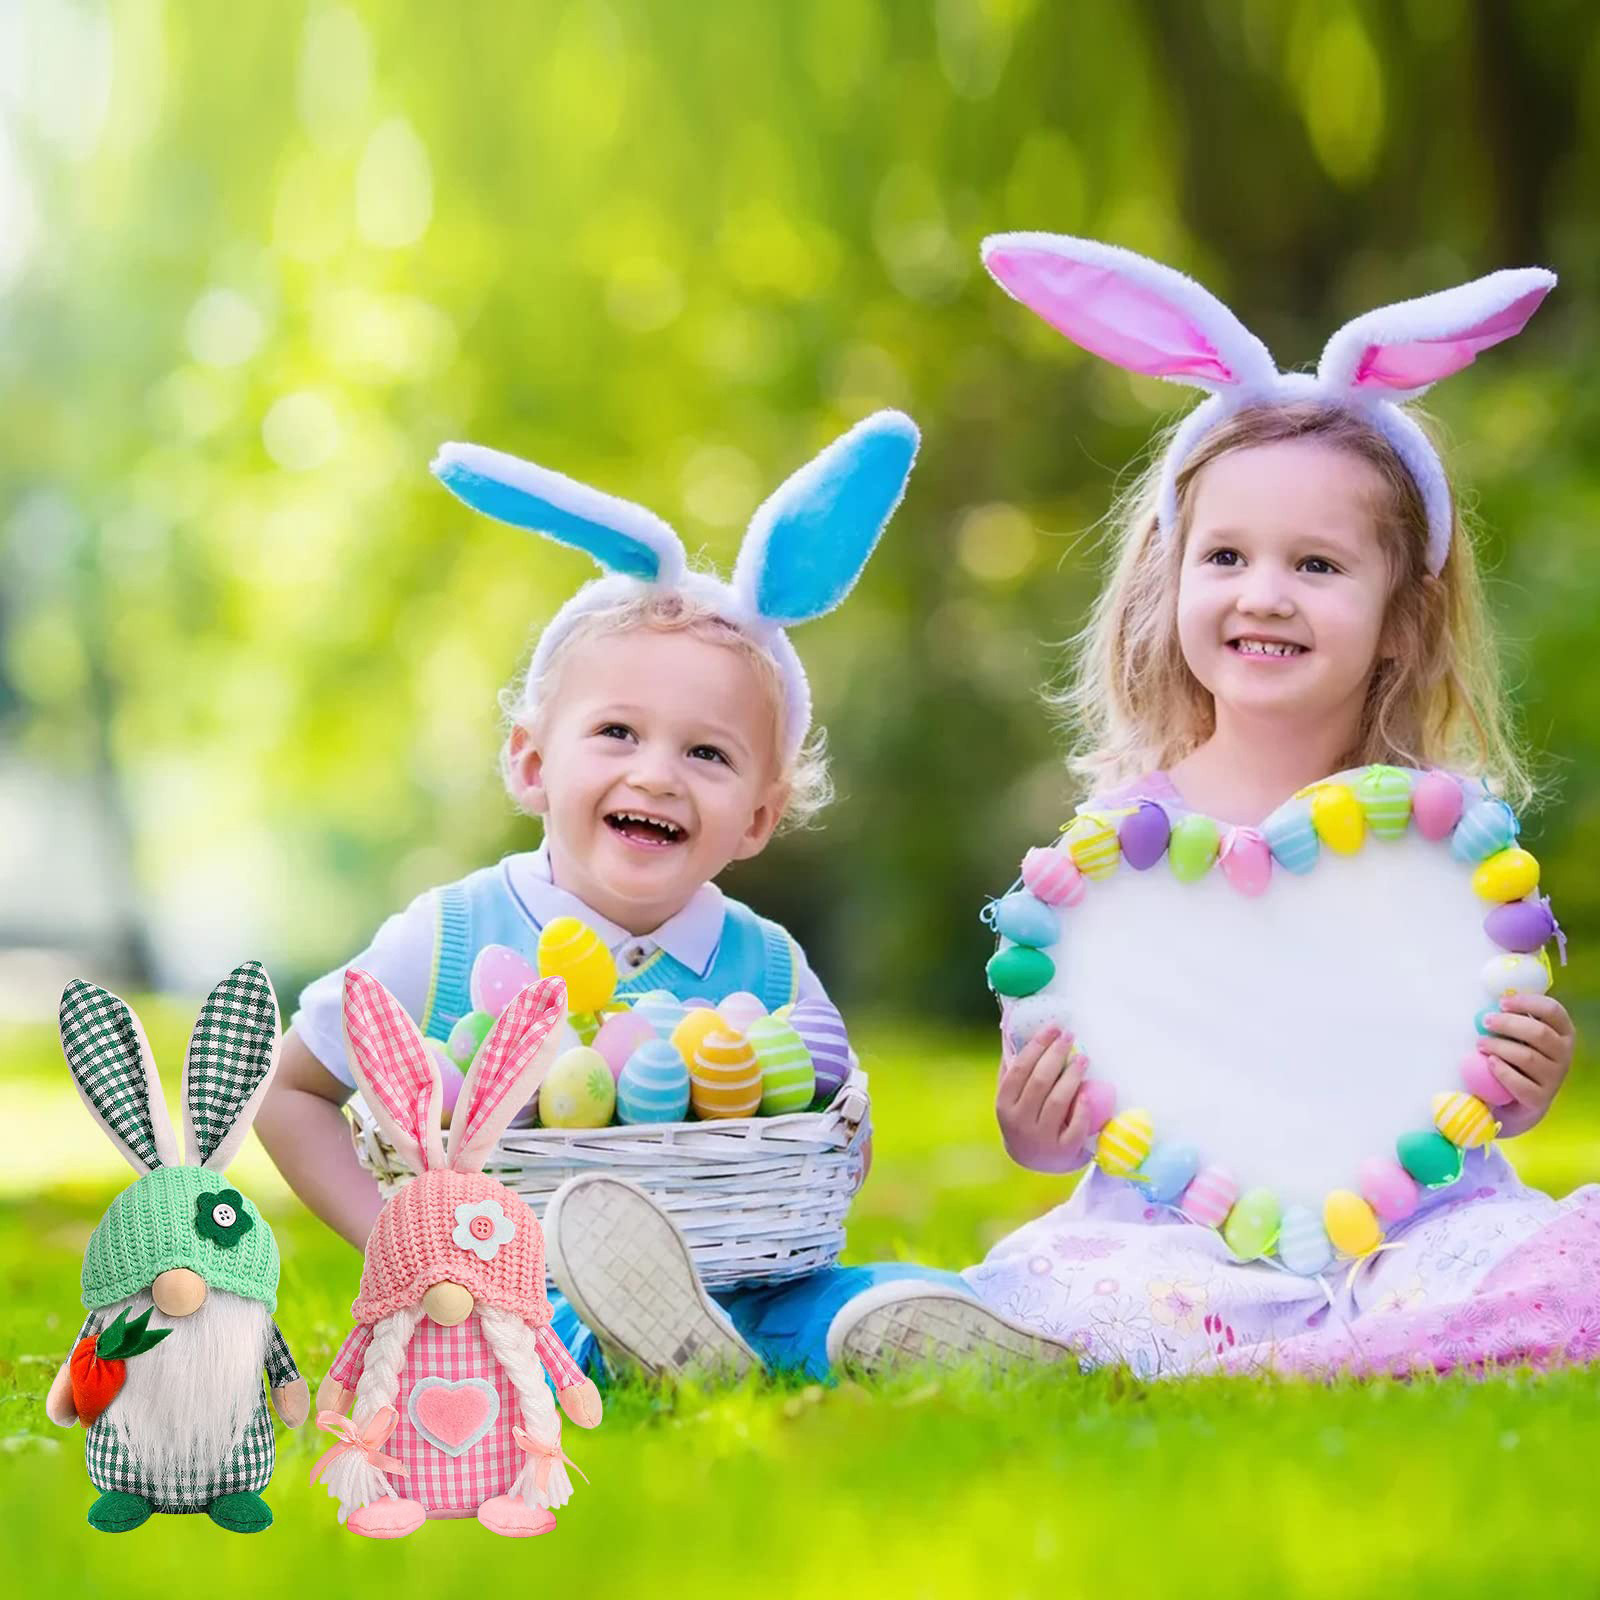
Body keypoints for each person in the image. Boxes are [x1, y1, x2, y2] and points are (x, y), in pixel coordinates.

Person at [835, 234, 1596, 1380]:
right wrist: (1033, 1122)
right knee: (1079, 1295)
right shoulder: (1110, 862)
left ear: (1401, 615)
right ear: (1169, 579)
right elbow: (1053, 1135)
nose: (1263, 595)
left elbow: (1457, 1093)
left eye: (1318, 566)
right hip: (1176, 1241)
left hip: (1412, 1232)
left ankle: (1372, 1332)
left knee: (1537, 1262)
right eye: (1226, 556)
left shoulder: (1443, 846)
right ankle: (1267, 1348)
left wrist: (1523, 1081)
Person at [257, 411, 1056, 1383]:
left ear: (758, 818)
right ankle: (630, 1344)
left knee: (820, 1294)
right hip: (510, 1284)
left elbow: (827, 1130)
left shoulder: (766, 964)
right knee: (520, 1334)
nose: (659, 775)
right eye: (618, 733)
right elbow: (292, 1093)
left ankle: (889, 1322)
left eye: (707, 753)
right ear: (529, 762)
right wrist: (397, 1239)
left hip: (739, 1278)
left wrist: (837, 1136)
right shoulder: (454, 934)